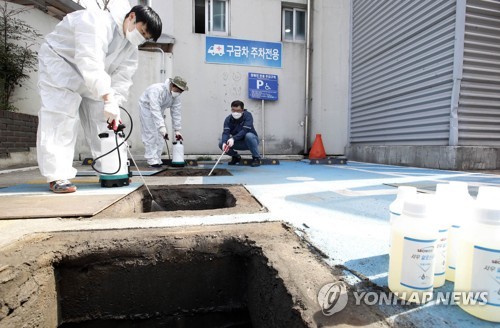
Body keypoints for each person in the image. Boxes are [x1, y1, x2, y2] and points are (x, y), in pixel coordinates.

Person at [36, 1, 162, 193]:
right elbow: (90, 61)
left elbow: (122, 79)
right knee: (61, 118)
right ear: (132, 17)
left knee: (105, 124)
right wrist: (107, 97)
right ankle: (58, 176)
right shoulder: (96, 20)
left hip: (96, 78)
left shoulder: (130, 48)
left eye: (146, 37)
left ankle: (111, 170)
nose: (141, 38)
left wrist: (114, 105)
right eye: (142, 31)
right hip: (61, 65)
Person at [138, 76, 189, 168]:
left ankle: (157, 158)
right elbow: (154, 108)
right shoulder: (156, 90)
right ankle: (152, 160)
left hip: (159, 110)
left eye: (181, 92)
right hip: (147, 108)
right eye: (178, 90)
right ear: (172, 85)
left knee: (161, 136)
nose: (178, 93)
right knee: (151, 134)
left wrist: (177, 130)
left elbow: (176, 112)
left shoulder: (175, 97)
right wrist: (161, 127)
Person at [219, 100, 262, 167]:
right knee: (221, 143)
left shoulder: (248, 116)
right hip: (238, 142)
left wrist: (233, 138)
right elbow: (225, 132)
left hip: (250, 142)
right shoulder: (228, 119)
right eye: (233, 110)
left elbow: (245, 130)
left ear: (242, 110)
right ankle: (236, 157)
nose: (235, 112)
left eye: (238, 110)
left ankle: (256, 158)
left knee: (249, 135)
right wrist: (224, 142)